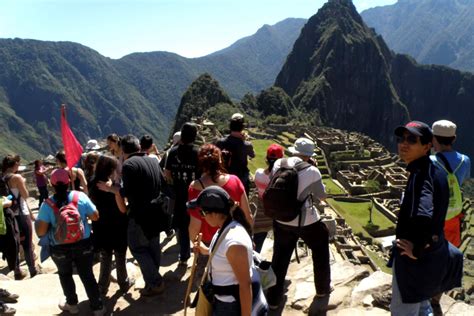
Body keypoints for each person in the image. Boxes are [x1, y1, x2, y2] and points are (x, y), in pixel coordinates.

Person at [389, 121, 463, 315]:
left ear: (427, 145)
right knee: (423, 305)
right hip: (432, 255)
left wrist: (418, 248)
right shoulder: (435, 170)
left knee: (404, 310)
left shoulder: (421, 176)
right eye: (402, 138)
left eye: (412, 139)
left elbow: (424, 213)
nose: (404, 144)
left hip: (412, 259)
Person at [266, 138, 330, 310]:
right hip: (304, 221)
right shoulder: (312, 171)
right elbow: (321, 196)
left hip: (280, 219)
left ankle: (273, 300)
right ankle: (322, 289)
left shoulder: (280, 162)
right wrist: (314, 170)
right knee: (321, 246)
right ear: (309, 156)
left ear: (294, 151)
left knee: (279, 258)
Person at [101, 134, 166, 296]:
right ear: (138, 147)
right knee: (153, 246)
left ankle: (155, 282)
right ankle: (153, 281)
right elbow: (163, 183)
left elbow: (126, 191)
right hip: (156, 211)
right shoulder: (152, 160)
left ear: (122, 149)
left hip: (140, 214)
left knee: (137, 248)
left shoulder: (129, 165)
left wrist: (110, 188)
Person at [35, 168, 105, 315]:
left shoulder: (47, 205)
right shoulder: (80, 197)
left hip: (59, 247)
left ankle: (72, 305)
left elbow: (40, 232)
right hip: (83, 242)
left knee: (65, 275)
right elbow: (95, 217)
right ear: (68, 182)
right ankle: (97, 307)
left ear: (51, 184)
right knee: (87, 274)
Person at [189, 186, 268, 316]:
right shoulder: (225, 227)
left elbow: (245, 285)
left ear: (214, 213)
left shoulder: (234, 242)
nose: (202, 217)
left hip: (230, 307)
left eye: (202, 213)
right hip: (222, 301)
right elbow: (225, 257)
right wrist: (207, 251)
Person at [187, 144, 253, 289]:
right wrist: (249, 237)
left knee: (206, 282)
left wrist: (196, 244)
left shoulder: (195, 187)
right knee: (236, 279)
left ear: (201, 163)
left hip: (207, 242)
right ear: (220, 161)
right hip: (233, 238)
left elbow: (194, 225)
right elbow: (247, 215)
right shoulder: (235, 181)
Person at [88, 155, 132, 296]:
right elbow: (122, 209)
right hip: (118, 225)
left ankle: (102, 286)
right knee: (120, 256)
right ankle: (123, 282)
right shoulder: (113, 186)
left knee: (105, 257)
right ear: (110, 169)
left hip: (100, 225)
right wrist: (116, 191)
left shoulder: (93, 183)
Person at [430, 120, 471, 247]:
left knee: (430, 251)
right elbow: (463, 181)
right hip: (453, 214)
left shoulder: (429, 161)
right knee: (449, 251)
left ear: (433, 138)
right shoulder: (465, 160)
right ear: (454, 139)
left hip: (433, 214)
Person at [164, 123, 201, 265]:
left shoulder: (173, 152)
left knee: (183, 227)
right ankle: (200, 254)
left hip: (179, 195)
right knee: (198, 224)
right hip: (196, 195)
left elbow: (167, 173)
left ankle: (184, 256)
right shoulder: (198, 153)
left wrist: (177, 181)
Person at [2, 155, 39, 279]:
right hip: (21, 214)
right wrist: (23, 183)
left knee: (14, 242)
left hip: (8, 214)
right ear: (15, 164)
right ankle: (33, 269)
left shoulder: (1, 177)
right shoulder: (17, 177)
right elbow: (25, 195)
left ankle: (17, 271)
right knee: (27, 242)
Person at [253, 144, 284, 253]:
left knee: (257, 245)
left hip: (262, 216)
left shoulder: (258, 174)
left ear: (267, 158)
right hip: (277, 216)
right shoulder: (282, 179)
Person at [216, 113, 255, 194]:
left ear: (230, 126)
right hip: (241, 180)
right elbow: (252, 155)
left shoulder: (220, 142)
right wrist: (245, 140)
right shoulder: (247, 145)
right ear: (242, 127)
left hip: (224, 179)